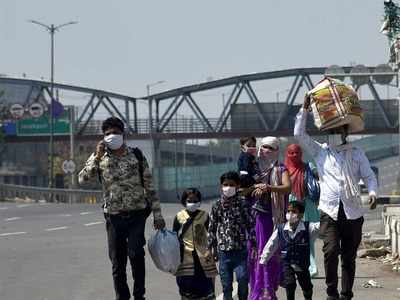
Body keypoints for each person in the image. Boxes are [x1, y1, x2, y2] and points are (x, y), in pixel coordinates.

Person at [294, 96, 378, 300]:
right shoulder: (321, 152)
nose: (334, 134)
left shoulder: (357, 153)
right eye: (331, 131)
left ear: (345, 133)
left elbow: (368, 175)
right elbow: (299, 134)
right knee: (330, 252)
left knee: (349, 257)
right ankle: (331, 293)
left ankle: (346, 294)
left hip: (353, 212)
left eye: (338, 131)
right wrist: (304, 110)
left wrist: (373, 192)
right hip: (329, 212)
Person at [78, 117, 166, 300]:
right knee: (117, 263)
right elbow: (82, 179)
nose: (112, 136)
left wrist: (158, 215)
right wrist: (96, 156)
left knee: (136, 255)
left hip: (136, 215)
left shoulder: (136, 155)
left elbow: (149, 187)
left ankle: (139, 295)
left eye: (115, 132)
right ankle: (122, 297)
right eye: (108, 133)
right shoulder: (99, 157)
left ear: (123, 134)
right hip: (113, 217)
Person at [249, 137, 291, 300]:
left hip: (274, 217)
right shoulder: (254, 169)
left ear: (276, 151)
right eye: (263, 147)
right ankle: (263, 289)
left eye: (269, 148)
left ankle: (270, 286)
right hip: (257, 217)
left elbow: (287, 187)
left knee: (272, 252)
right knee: (259, 253)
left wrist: (269, 188)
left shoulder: (281, 169)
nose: (264, 150)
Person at [207, 171, 256, 300]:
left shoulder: (243, 203)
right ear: (221, 186)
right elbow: (212, 228)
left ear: (238, 185)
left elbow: (250, 225)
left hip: (240, 250)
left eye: (231, 184)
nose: (228, 187)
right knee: (227, 286)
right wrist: (212, 248)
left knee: (243, 279)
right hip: (224, 252)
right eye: (225, 184)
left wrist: (255, 245)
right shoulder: (217, 205)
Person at [260, 201, 320, 300]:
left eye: (294, 211)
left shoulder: (308, 227)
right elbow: (271, 244)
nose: (290, 214)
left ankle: (308, 297)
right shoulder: (281, 229)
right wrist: (264, 259)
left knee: (306, 286)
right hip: (287, 263)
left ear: (301, 214)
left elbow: (321, 226)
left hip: (302, 264)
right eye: (288, 211)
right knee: (290, 284)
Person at [173, 188, 218, 300]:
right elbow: (173, 237)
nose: (192, 203)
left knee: (205, 284)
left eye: (195, 200)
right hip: (185, 257)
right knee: (186, 286)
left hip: (203, 256)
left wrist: (213, 250)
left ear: (199, 201)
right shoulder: (179, 216)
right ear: (184, 201)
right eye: (190, 200)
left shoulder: (204, 216)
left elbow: (211, 234)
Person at [284, 144, 320, 277]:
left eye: (297, 152)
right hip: (292, 206)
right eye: (291, 153)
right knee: (295, 237)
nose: (294, 155)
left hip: (308, 205)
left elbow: (319, 177)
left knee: (307, 237)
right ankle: (305, 266)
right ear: (287, 154)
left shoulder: (309, 166)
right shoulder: (284, 169)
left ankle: (310, 267)